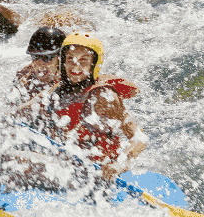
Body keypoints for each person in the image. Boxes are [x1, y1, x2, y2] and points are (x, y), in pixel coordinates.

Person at [23, 31, 146, 181]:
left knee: (21, 162)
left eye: (83, 60)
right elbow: (20, 112)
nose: (75, 66)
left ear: (94, 64)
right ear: (63, 62)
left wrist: (120, 166)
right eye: (70, 59)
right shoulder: (57, 91)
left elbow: (139, 138)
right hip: (69, 166)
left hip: (100, 172)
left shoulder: (104, 96)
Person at [8, 26, 66, 106]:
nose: (40, 64)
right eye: (35, 57)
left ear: (60, 58)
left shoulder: (68, 80)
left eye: (46, 58)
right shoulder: (24, 77)